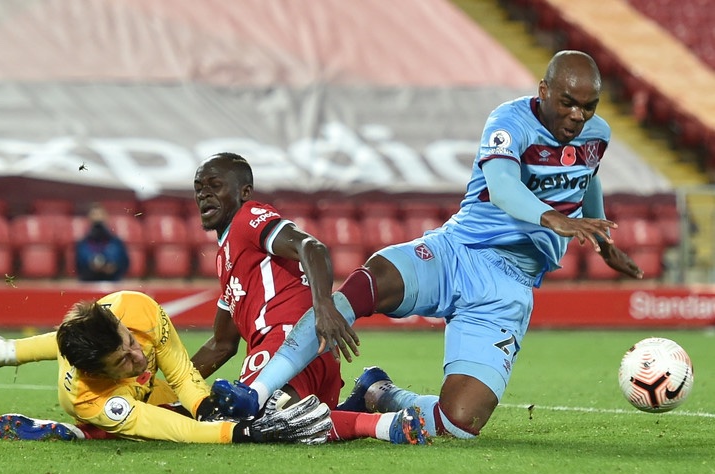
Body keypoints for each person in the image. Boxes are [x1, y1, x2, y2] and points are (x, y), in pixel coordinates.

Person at [210, 50, 644, 440]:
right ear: (544, 90)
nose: (577, 116)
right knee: (370, 281)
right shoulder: (509, 122)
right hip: (459, 251)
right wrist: (553, 219)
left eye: (588, 107)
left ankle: (380, 393)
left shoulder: (595, 134)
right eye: (567, 103)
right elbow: (503, 185)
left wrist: (604, 243)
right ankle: (255, 391)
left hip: (509, 288)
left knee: (461, 424)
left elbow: (587, 175)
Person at [189, 152, 426, 444]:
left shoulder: (247, 218)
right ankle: (362, 397)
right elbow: (221, 344)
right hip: (311, 355)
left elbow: (311, 247)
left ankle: (385, 425)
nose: (204, 194)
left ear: (244, 192)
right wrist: (178, 382)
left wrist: (323, 307)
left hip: (286, 343)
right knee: (289, 422)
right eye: (199, 187)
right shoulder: (226, 256)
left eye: (215, 185)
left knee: (254, 420)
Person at [0, 290, 332, 444]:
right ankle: (82, 430)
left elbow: (179, 370)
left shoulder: (135, 308)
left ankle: (7, 352)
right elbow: (168, 429)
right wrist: (239, 434)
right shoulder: (89, 397)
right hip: (112, 403)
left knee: (197, 403)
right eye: (123, 361)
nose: (138, 357)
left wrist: (206, 408)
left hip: (130, 378)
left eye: (129, 341)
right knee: (155, 420)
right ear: (98, 373)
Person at [75, 203, 129, 281]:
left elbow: (124, 264)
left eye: (100, 214)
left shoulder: (116, 243)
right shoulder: (82, 244)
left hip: (113, 282)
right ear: (89, 218)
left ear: (106, 217)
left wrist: (111, 267)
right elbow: (79, 265)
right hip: (88, 282)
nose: (98, 218)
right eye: (94, 215)